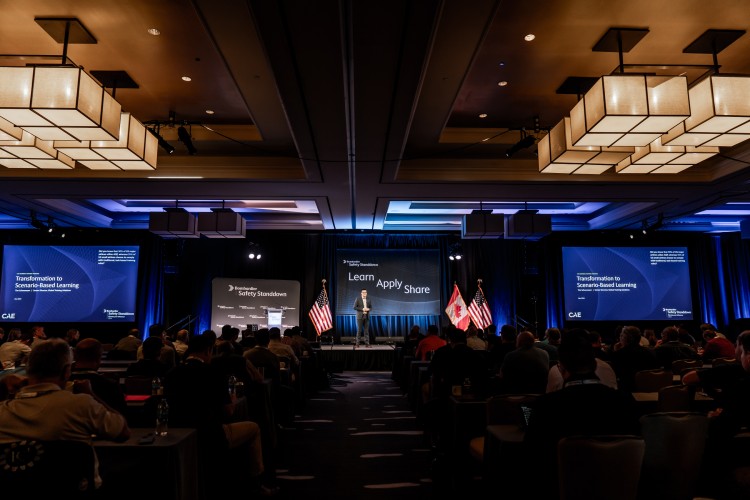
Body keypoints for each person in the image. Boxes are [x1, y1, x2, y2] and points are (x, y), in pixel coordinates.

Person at [523, 329, 639, 498]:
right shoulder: (625, 402)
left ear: (561, 367)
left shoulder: (545, 407)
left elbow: (533, 459)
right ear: (594, 365)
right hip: (618, 487)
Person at [0, 339, 130, 489]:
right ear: (66, 371)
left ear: (28, 370)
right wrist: (91, 394)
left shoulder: (4, 411)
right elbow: (122, 432)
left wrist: (3, 388)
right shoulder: (81, 405)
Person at [164, 334, 276, 496]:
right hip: (211, 434)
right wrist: (232, 397)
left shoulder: (171, 373)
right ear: (208, 351)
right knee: (254, 428)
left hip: (177, 434)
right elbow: (229, 411)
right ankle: (255, 483)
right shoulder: (214, 373)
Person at [70, 338, 127, 415]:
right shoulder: (110, 386)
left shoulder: (62, 383)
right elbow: (121, 418)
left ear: (75, 357)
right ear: (99, 358)